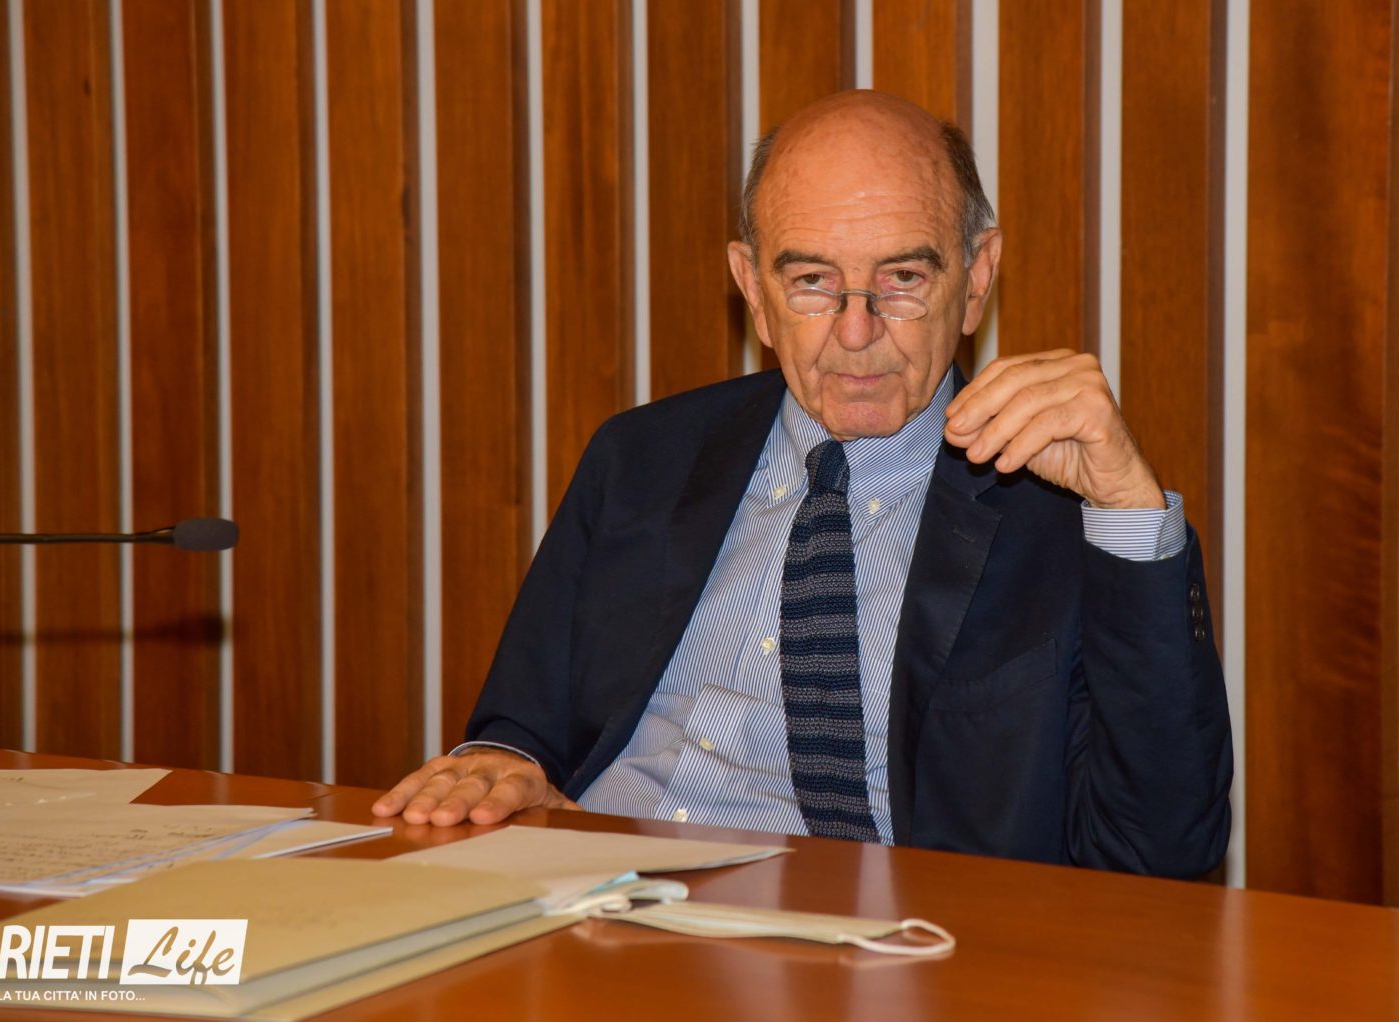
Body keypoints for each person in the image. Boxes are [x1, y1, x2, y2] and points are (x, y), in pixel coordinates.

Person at [374, 90, 1232, 876]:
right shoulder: (641, 459)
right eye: (812, 281)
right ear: (753, 287)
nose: (855, 333)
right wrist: (505, 764)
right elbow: (522, 730)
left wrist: (1129, 510)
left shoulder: (1062, 516)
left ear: (976, 279)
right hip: (590, 906)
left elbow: (1158, 855)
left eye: (903, 279)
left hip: (879, 945)